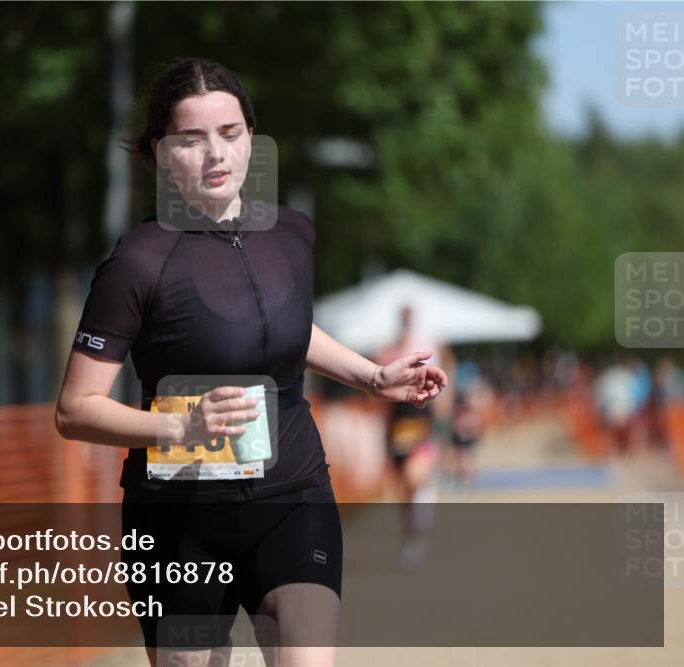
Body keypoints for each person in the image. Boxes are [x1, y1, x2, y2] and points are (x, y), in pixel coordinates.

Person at [55, 57, 447, 667]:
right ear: (162, 153)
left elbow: (290, 327)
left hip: (293, 496)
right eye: (192, 139)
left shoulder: (292, 235)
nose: (215, 154)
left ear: (251, 140)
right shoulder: (137, 261)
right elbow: (75, 411)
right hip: (177, 521)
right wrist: (181, 426)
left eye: (230, 134)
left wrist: (373, 375)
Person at [376, 305, 450, 568]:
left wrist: (442, 429)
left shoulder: (427, 348)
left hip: (421, 425)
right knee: (404, 491)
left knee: (413, 478)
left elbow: (441, 391)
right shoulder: (388, 351)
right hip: (398, 429)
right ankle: (411, 536)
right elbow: (380, 397)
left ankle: (418, 529)